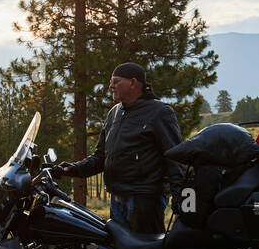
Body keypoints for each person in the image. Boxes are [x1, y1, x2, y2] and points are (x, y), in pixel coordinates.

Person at [57, 62, 184, 235]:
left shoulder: (160, 112)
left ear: (133, 83)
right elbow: (100, 158)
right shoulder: (114, 113)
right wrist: (69, 169)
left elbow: (176, 158)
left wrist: (181, 205)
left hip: (144, 200)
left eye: (116, 81)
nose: (111, 86)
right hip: (117, 199)